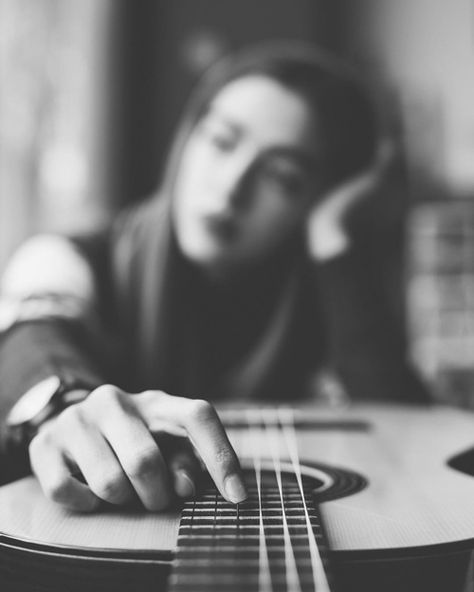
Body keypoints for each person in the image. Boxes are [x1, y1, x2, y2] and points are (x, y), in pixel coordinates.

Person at [0, 41, 427, 511]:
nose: (231, 186)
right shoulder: (69, 257)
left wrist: (334, 237)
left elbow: (408, 439)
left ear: (315, 199)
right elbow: (34, 329)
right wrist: (66, 406)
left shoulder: (318, 297)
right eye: (221, 141)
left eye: (282, 177)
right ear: (187, 138)